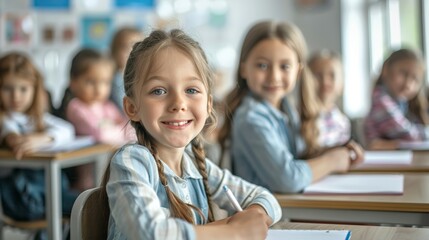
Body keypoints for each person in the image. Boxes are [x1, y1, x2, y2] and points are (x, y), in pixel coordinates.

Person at [99, 29, 281, 240]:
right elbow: (149, 233)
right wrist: (233, 231)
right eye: (158, 91)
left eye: (191, 90)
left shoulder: (194, 163)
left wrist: (254, 216)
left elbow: (266, 198)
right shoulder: (133, 162)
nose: (178, 104)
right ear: (132, 108)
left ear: (208, 104)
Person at [217, 21, 363, 194]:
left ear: (298, 71)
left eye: (285, 66)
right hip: (269, 218)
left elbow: (294, 159)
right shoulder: (251, 119)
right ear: (243, 69)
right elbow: (288, 179)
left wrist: (330, 152)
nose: (274, 76)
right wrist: (332, 161)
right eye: (262, 65)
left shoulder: (286, 109)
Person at [0, 52, 78, 223]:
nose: (16, 96)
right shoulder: (4, 119)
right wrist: (16, 139)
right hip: (19, 194)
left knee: (81, 206)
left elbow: (67, 130)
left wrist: (42, 138)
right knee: (81, 207)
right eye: (7, 89)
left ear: (35, 90)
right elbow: (10, 135)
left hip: (44, 187)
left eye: (23, 89)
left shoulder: (36, 119)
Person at [65, 48, 135, 192]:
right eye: (91, 82)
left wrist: (114, 130)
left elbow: (131, 129)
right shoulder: (76, 107)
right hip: (90, 182)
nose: (99, 89)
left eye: (104, 82)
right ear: (73, 82)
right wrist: (119, 131)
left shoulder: (107, 106)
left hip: (112, 174)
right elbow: (99, 135)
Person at [364, 48, 429, 150]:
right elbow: (406, 134)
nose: (408, 84)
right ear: (386, 69)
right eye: (403, 73)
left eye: (415, 79)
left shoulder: (402, 103)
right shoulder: (380, 100)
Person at [308, 49, 351, 148]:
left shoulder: (343, 122)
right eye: (318, 75)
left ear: (342, 84)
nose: (325, 81)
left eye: (332, 76)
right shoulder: (298, 117)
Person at [109, 26, 143, 111]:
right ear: (114, 51)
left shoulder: (140, 77)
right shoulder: (116, 78)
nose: (131, 53)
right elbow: (122, 107)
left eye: (137, 48)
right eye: (125, 47)